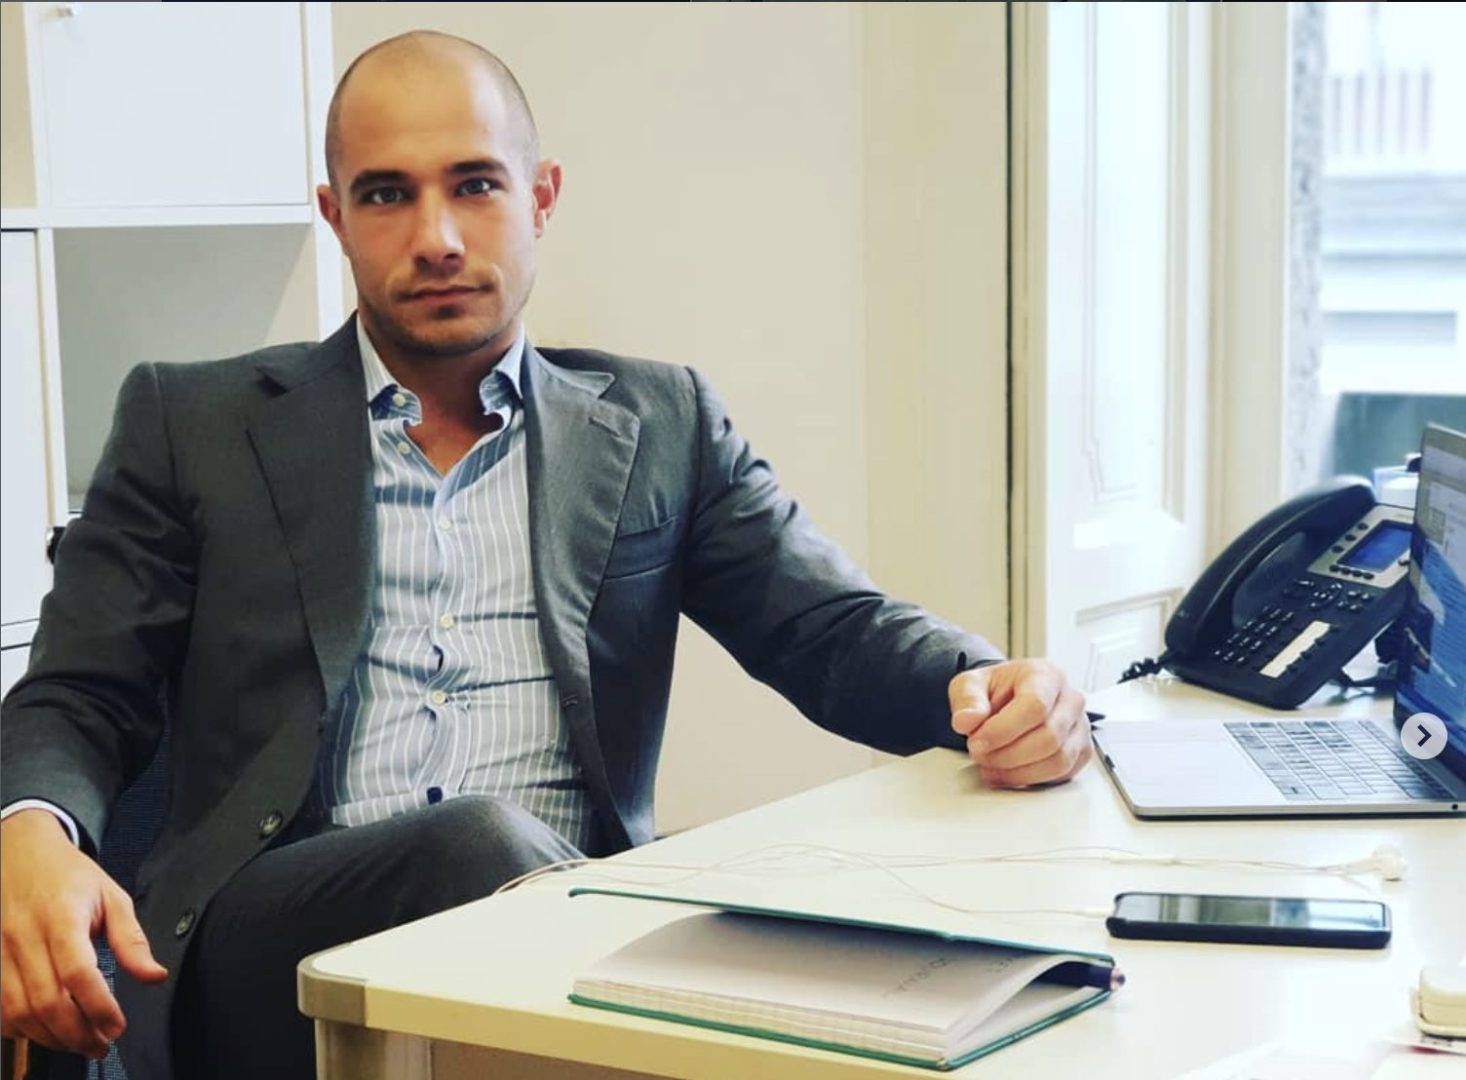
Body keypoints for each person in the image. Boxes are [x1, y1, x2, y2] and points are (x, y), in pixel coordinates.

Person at [0, 30, 1091, 1080]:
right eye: (387, 195)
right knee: (473, 846)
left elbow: (827, 630)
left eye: (475, 184)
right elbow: (79, 691)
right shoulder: (193, 422)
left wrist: (989, 689)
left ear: (541, 196)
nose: (436, 236)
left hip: (564, 942)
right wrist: (31, 831)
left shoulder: (659, 421)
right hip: (271, 953)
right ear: (335, 216)